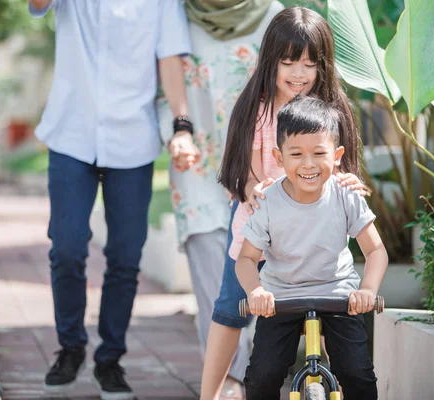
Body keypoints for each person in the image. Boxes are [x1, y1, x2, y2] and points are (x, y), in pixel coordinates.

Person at [27, 1, 199, 399]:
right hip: (71, 133)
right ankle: (70, 347)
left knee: (125, 255)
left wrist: (181, 126)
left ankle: (110, 360)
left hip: (133, 139)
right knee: (67, 247)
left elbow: (169, 58)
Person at [201, 7, 370, 399]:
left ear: (323, 66)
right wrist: (253, 190)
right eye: (288, 62)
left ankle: (344, 388)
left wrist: (350, 181)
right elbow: (237, 172)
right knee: (231, 308)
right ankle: (207, 394)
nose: (298, 73)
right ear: (271, 61)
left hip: (317, 228)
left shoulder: (332, 110)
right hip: (257, 223)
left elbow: (347, 170)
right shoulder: (254, 109)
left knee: (336, 308)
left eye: (310, 64)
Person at [156, 1, 284, 398]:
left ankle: (251, 377)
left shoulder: (270, 14)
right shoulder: (175, 12)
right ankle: (227, 381)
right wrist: (177, 132)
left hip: (260, 164)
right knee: (213, 279)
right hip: (198, 159)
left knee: (254, 276)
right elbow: (164, 78)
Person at [237, 96, 388, 399]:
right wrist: (256, 292)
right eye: (296, 154)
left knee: (357, 374)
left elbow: (375, 251)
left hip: (338, 296)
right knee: (261, 378)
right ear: (279, 158)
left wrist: (368, 291)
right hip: (281, 298)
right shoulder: (268, 202)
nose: (308, 164)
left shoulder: (346, 194)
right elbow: (246, 258)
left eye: (319, 153)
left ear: (337, 155)